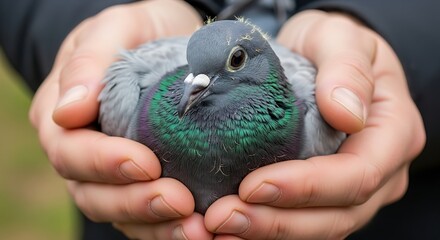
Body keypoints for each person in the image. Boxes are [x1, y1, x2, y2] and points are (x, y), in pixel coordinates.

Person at [0, 0, 437, 239]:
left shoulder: (313, 112)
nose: (194, 85)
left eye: (233, 61)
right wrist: (87, 29)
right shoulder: (136, 88)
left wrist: (392, 46)